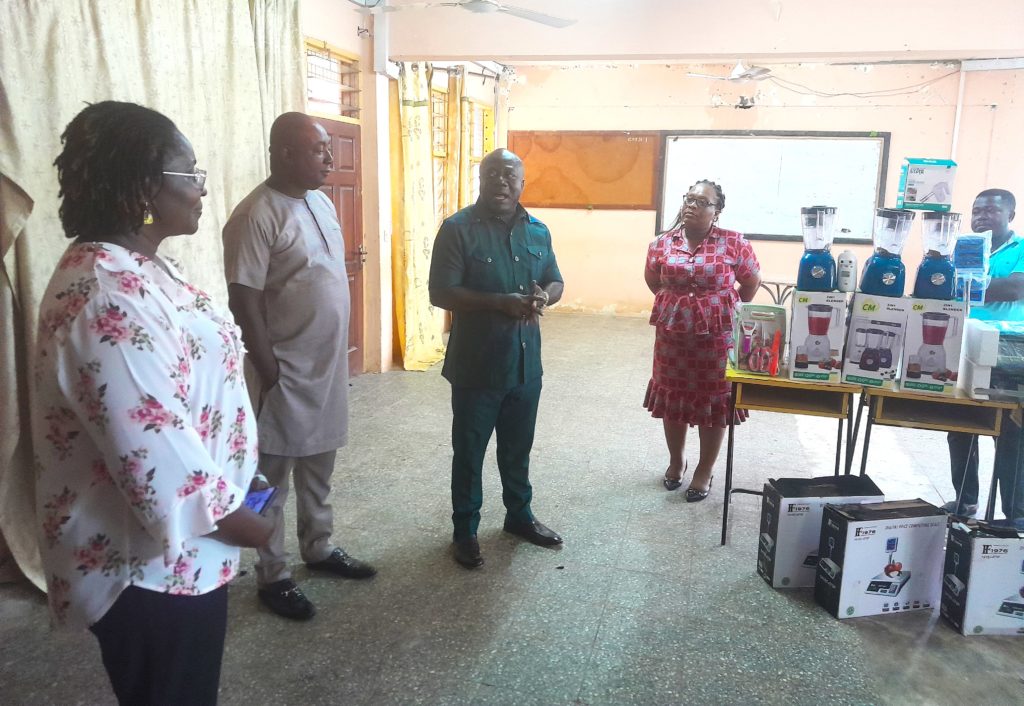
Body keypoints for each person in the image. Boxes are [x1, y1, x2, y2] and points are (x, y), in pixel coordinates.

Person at [33, 101, 274, 705]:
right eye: (190, 174)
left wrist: (239, 469)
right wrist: (244, 520)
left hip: (186, 547)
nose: (202, 189)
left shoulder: (142, 268)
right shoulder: (106, 294)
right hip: (149, 568)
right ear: (145, 186)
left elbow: (187, 393)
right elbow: (150, 446)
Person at [222, 112, 375, 621]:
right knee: (268, 480)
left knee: (319, 467)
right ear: (284, 154)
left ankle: (319, 546)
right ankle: (272, 574)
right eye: (318, 149)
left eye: (328, 147)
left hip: (326, 369)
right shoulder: (256, 214)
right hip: (283, 371)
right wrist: (269, 370)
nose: (329, 158)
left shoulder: (320, 201)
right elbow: (244, 298)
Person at [428, 148, 565, 569]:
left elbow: (555, 280)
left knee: (518, 448)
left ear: (522, 183)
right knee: (470, 453)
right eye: (492, 174)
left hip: (526, 365)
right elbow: (440, 292)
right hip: (477, 366)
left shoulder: (537, 230)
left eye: (509, 176)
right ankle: (465, 531)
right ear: (481, 179)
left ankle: (519, 516)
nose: (501, 182)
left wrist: (545, 296)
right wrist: (498, 303)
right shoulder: (458, 229)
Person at [644, 180, 762, 502]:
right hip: (672, 338)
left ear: (717, 211)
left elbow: (751, 281)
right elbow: (653, 280)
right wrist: (679, 306)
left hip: (716, 339)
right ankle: (676, 461)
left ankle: (704, 469)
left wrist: (721, 306)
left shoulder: (733, 242)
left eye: (702, 202)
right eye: (689, 199)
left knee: (714, 400)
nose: (692, 206)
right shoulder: (662, 243)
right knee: (673, 397)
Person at [946, 188, 1023, 521]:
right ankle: (965, 500)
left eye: (990, 211)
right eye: (976, 211)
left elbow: (1015, 288)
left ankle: (1015, 513)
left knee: (1011, 433)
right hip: (964, 345)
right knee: (960, 425)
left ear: (1010, 215)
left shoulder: (1021, 249)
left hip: (1008, 352)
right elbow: (944, 285)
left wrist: (970, 283)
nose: (981, 217)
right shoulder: (964, 247)